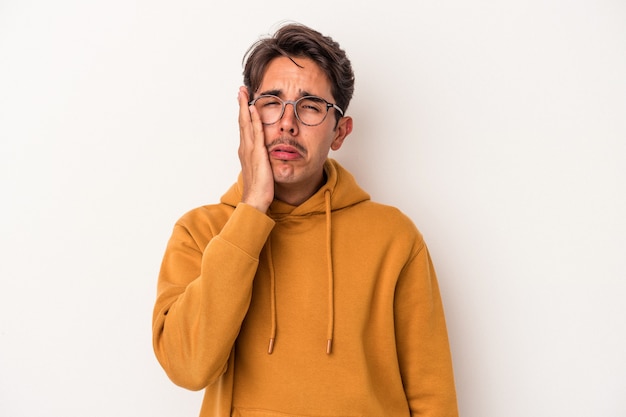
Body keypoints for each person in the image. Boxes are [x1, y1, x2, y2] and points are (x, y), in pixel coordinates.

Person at [152, 22, 459, 417]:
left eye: (311, 106)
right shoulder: (201, 232)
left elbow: (433, 399)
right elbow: (187, 367)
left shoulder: (394, 238)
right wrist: (251, 211)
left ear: (340, 132)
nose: (287, 123)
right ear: (247, 116)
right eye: (272, 102)